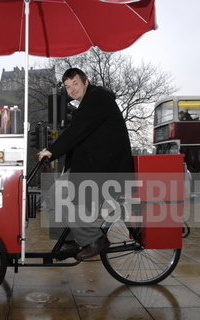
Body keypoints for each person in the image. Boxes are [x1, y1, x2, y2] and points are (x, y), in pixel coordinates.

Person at [37, 68, 133, 260]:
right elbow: (79, 134)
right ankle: (69, 241)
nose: (71, 89)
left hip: (105, 169)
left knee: (65, 195)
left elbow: (77, 131)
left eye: (75, 83)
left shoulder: (99, 98)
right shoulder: (89, 103)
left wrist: (52, 151)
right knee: (55, 192)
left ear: (85, 82)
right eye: (67, 86)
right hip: (92, 166)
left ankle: (94, 240)